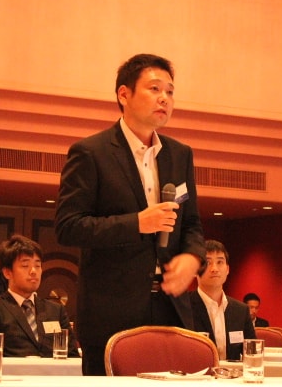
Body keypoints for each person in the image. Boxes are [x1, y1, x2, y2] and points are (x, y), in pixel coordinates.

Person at [55, 53, 206, 375]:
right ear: (124, 94)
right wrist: (137, 223)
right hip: (111, 311)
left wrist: (192, 257)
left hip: (171, 308)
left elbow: (191, 222)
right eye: (154, 89)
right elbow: (69, 226)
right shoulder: (91, 152)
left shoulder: (180, 154)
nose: (164, 98)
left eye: (170, 91)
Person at [0, 234, 78, 357]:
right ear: (7, 272)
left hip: (52, 370)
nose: (33, 271)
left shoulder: (56, 310)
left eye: (37, 265)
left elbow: (73, 356)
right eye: (25, 266)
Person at [190, 240, 255, 360]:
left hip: (233, 372)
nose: (214, 269)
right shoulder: (183, 308)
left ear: (227, 269)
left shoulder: (241, 311)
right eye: (207, 262)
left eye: (220, 262)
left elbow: (253, 354)